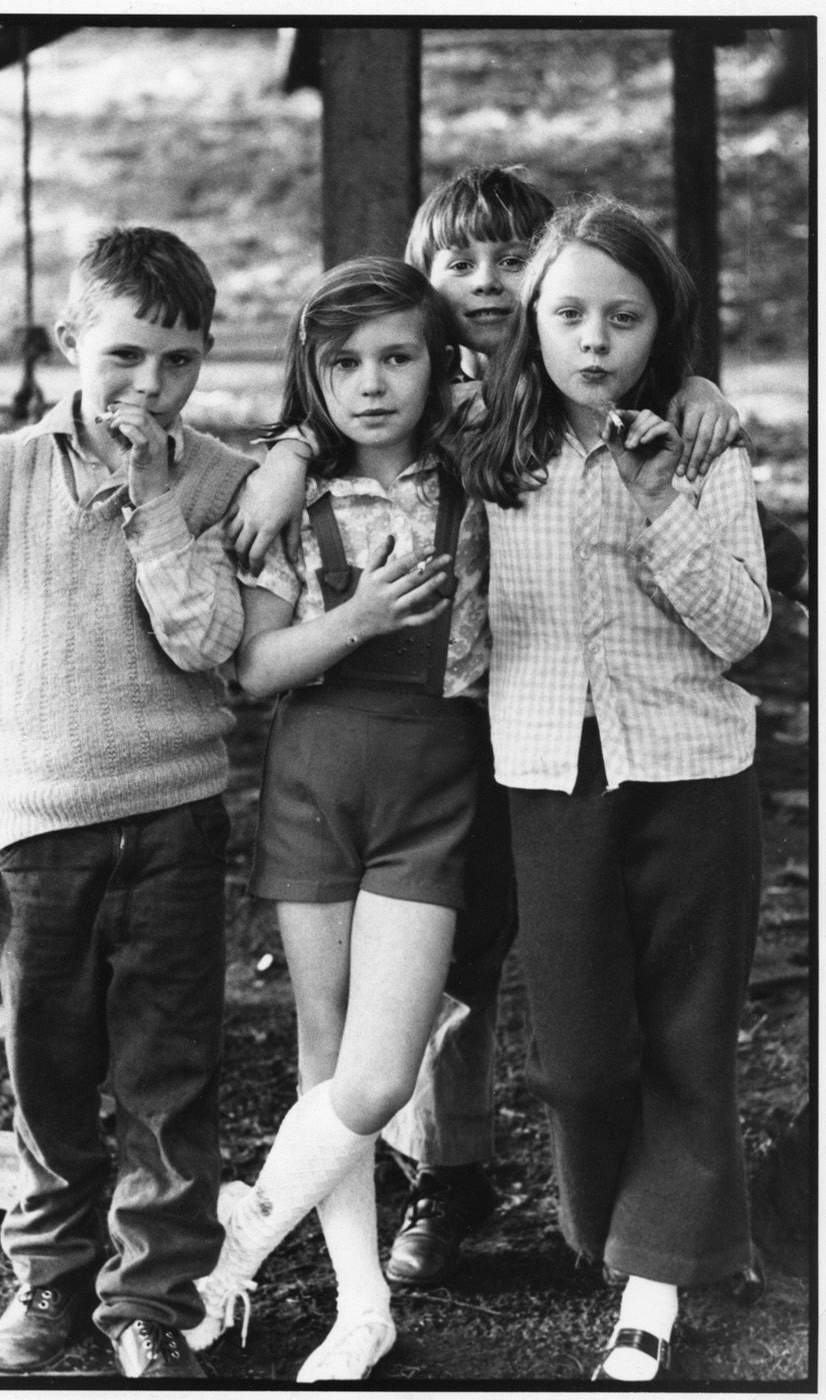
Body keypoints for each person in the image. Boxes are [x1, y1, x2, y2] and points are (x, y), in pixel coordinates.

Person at [224, 165, 802, 1291]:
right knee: (468, 975)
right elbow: (342, 406)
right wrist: (287, 451)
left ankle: (651, 1242)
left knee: (600, 991)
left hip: (618, 739)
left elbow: (735, 590)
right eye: (460, 262)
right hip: (461, 741)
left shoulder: (640, 411)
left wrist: (695, 407)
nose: (485, 281)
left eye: (510, 259)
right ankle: (447, 1173)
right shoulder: (446, 405)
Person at [0, 226, 257, 1381]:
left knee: (170, 1071)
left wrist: (156, 503)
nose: (148, 387)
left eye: (178, 362)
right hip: (37, 832)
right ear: (70, 341)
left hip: (173, 816)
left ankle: (150, 1297)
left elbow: (210, 639)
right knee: (48, 1070)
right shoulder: (3, 473)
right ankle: (50, 1279)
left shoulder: (218, 478)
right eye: (123, 356)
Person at [460, 194, 770, 1383]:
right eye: (570, 312)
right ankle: (618, 1228)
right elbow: (349, 396)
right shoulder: (487, 446)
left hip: (693, 763)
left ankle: (656, 1277)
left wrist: (659, 510)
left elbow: (740, 626)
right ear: (528, 317)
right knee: (582, 1052)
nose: (595, 340)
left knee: (689, 1032)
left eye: (624, 317)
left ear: (661, 326)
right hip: (546, 767)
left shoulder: (698, 446)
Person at [183, 257, 493, 1381]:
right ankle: (360, 1304)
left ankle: (240, 1242)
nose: (371, 384)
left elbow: (526, 392)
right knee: (325, 1055)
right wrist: (357, 614)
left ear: (437, 365)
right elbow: (257, 668)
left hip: (433, 787)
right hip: (315, 781)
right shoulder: (295, 503)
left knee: (373, 1078)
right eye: (343, 364)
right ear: (310, 377)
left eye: (397, 358)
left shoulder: (477, 475)